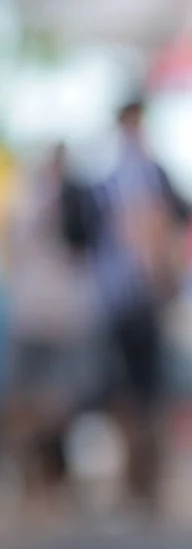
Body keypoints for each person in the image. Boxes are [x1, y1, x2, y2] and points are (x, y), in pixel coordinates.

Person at [88, 96, 190, 515]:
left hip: (145, 300)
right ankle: (135, 481)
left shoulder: (154, 176)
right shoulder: (108, 181)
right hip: (121, 300)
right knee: (127, 395)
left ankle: (150, 483)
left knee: (149, 394)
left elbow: (177, 227)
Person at [1, 144, 97, 528]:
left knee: (51, 410)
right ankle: (36, 485)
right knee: (33, 409)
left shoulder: (76, 206)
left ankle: (48, 486)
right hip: (37, 319)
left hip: (54, 319)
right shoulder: (27, 205)